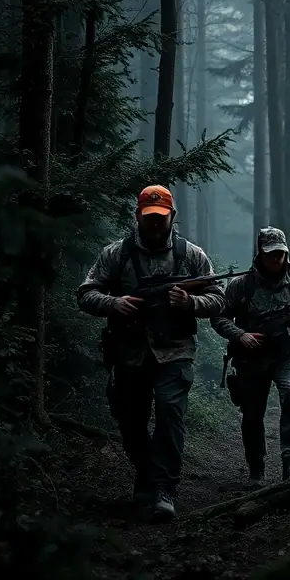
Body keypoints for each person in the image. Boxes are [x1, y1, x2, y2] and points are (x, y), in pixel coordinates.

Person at [76, 185, 225, 521]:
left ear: (173, 216)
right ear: (138, 216)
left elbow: (219, 298)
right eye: (149, 218)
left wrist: (192, 303)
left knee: (171, 414)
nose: (155, 224)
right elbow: (86, 293)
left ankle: (164, 489)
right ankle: (145, 473)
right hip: (129, 353)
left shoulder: (192, 255)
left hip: (175, 351)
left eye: (161, 217)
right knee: (130, 420)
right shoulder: (117, 254)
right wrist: (114, 303)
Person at [211, 227, 290, 488]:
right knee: (252, 411)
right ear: (260, 252)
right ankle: (256, 469)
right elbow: (218, 316)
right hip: (252, 356)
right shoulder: (242, 285)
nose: (277, 259)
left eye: (281, 253)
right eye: (271, 253)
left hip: (289, 352)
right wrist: (240, 335)